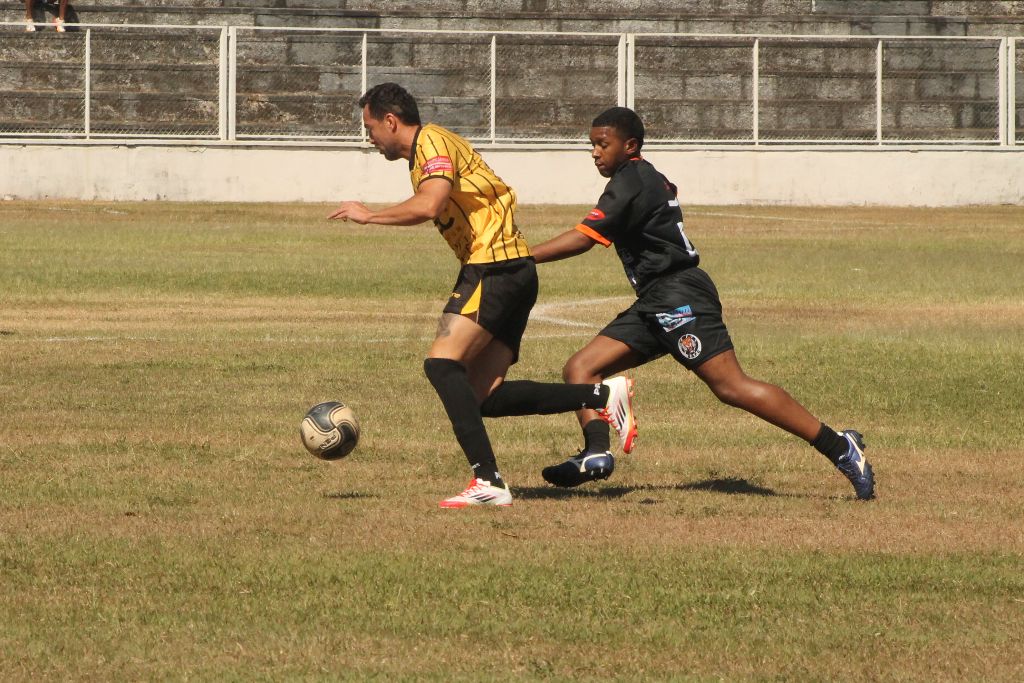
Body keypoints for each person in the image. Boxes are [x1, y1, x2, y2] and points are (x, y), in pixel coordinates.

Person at [529, 106, 875, 500]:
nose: (595, 152)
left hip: (679, 296)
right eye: (591, 145)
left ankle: (840, 446)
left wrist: (520, 257)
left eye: (603, 144)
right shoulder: (645, 175)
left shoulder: (631, 179)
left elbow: (583, 238)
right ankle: (596, 452)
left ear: (630, 146)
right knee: (581, 368)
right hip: (656, 299)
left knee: (732, 387)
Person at [328, 83, 637, 508]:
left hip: (493, 266)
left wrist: (370, 216)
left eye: (370, 128)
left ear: (391, 121)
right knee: (481, 396)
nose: (370, 138)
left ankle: (488, 481)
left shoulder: (431, 142)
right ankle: (601, 395)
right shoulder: (427, 151)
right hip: (513, 270)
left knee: (441, 365)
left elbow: (430, 204)